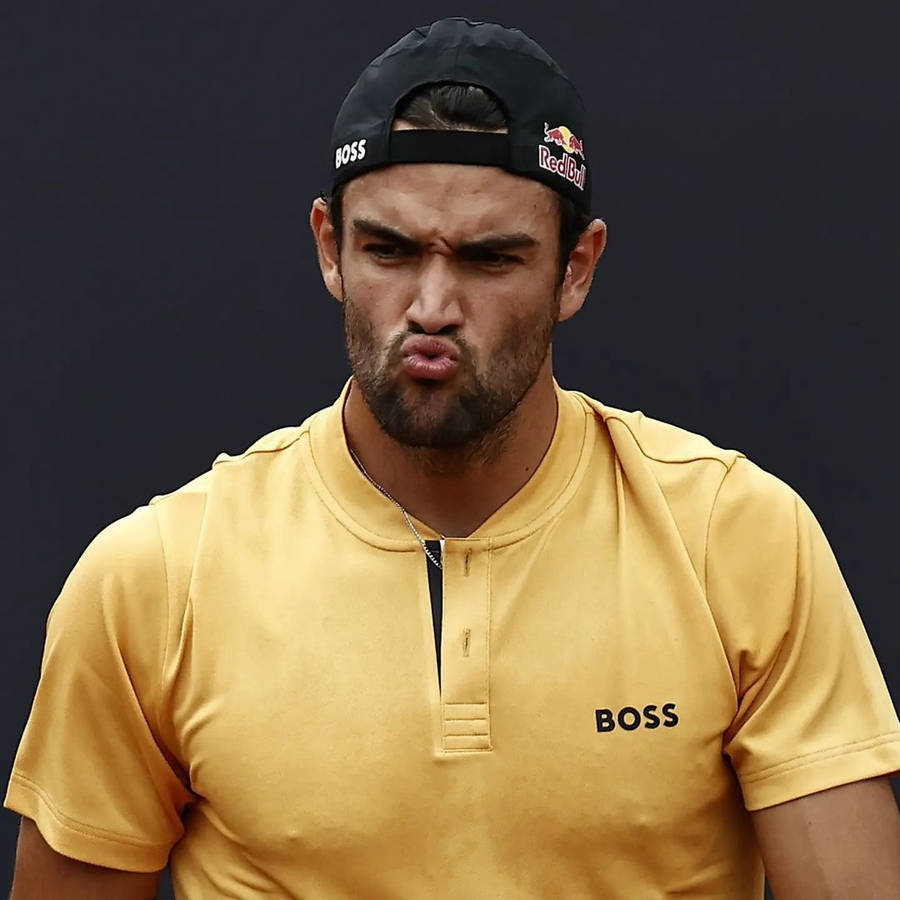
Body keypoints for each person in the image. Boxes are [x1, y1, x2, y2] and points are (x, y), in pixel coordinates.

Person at [6, 17, 900, 899]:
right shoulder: (155, 580)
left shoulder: (738, 541)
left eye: (490, 258)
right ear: (330, 248)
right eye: (388, 251)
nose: (431, 307)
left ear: (576, 269)